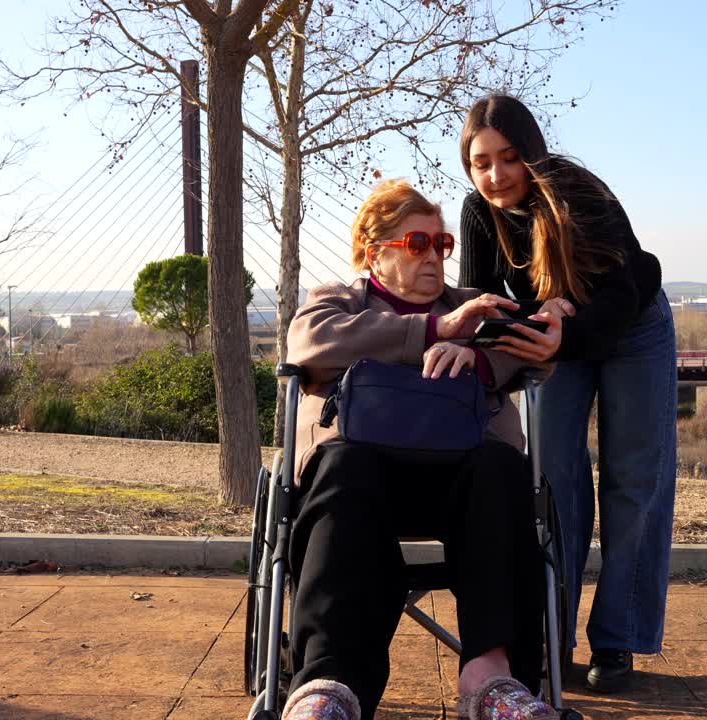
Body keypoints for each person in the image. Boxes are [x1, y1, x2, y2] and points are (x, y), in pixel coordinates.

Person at [280, 179, 565, 720]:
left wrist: (479, 358)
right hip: (364, 483)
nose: (435, 255)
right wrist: (435, 331)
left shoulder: (473, 306)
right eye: (417, 243)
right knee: (342, 464)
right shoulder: (338, 302)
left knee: (503, 467)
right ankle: (329, 685)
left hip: (458, 478)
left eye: (443, 244)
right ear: (373, 253)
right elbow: (309, 343)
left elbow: (527, 348)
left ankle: (492, 679)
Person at [456, 94, 677, 694]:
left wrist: (566, 329)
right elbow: (479, 297)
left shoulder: (578, 194)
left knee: (635, 479)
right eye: (482, 163)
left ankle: (617, 639)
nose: (496, 175)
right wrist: (501, 324)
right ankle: (552, 635)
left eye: (508, 158)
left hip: (631, 327)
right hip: (555, 336)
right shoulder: (479, 211)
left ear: (532, 153)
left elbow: (624, 290)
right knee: (552, 481)